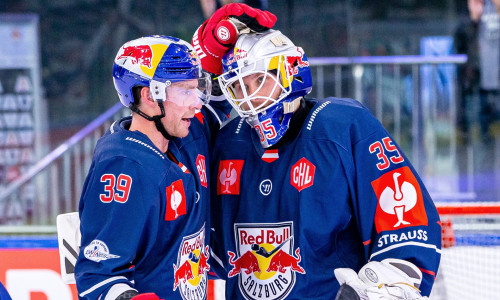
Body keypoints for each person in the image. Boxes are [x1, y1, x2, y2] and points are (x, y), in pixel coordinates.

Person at [193, 5, 442, 299]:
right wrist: (202, 67)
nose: (250, 97)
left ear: (289, 72)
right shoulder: (228, 145)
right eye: (238, 86)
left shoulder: (344, 126)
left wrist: (384, 286)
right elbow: (192, 237)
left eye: (260, 80)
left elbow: (407, 223)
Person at [74, 35, 225, 300]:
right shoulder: (124, 167)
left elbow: (220, 103)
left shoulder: (185, 133)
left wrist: (216, 40)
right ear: (149, 95)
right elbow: (97, 276)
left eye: (196, 88)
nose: (197, 102)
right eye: (185, 91)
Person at [454, 0, 500, 143]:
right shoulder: (465, 25)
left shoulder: (490, 24)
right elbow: (460, 44)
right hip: (472, 78)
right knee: (473, 111)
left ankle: (487, 138)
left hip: (490, 76)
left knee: (488, 112)